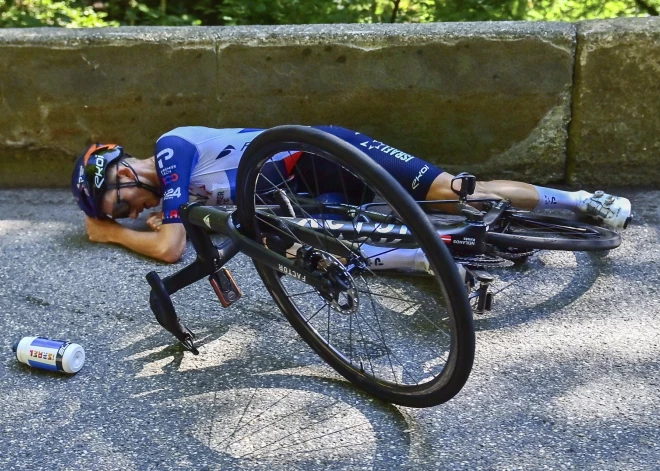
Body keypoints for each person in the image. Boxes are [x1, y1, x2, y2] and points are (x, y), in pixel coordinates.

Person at [71, 125, 632, 264]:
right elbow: (181, 241)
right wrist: (145, 224)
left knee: (459, 194)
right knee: (313, 252)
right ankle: (433, 262)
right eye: (122, 215)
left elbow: (172, 249)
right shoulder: (169, 193)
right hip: (304, 198)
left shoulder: (171, 150)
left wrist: (109, 233)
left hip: (325, 155)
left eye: (123, 203)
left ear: (122, 172)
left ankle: (581, 200)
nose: (133, 212)